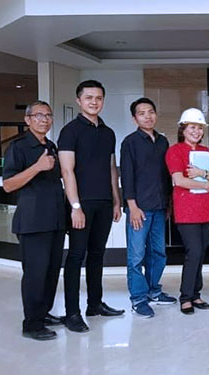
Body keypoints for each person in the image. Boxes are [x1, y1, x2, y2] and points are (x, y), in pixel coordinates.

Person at [58, 80, 123, 332]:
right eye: (89, 98)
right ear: (79, 101)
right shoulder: (70, 131)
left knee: (97, 254)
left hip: (105, 203)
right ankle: (72, 313)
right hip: (81, 205)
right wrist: (75, 206)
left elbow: (111, 168)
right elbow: (67, 170)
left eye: (98, 98)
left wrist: (116, 200)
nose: (94, 102)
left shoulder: (108, 132)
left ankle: (95, 304)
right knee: (76, 256)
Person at [3, 101, 66, 340]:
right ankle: (31, 323)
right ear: (28, 120)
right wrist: (37, 167)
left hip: (56, 221)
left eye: (48, 115)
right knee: (35, 274)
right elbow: (9, 184)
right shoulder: (18, 147)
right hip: (33, 222)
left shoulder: (51, 145)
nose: (44, 119)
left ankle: (43, 313)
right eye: (38, 115)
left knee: (51, 272)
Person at [120, 98, 176, 318]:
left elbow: (165, 175)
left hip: (160, 207)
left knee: (158, 253)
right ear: (135, 118)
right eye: (141, 113)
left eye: (151, 112)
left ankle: (154, 291)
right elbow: (127, 175)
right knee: (136, 257)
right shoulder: (130, 142)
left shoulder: (163, 142)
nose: (147, 116)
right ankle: (138, 298)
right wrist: (132, 206)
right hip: (140, 209)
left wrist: (169, 203)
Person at [165, 108, 209, 315]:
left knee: (201, 252)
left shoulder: (206, 151)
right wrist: (206, 184)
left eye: (199, 128)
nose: (196, 131)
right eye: (192, 127)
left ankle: (195, 294)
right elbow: (178, 180)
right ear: (183, 129)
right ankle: (186, 296)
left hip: (206, 210)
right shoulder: (175, 151)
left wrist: (203, 174)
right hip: (186, 210)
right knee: (193, 252)